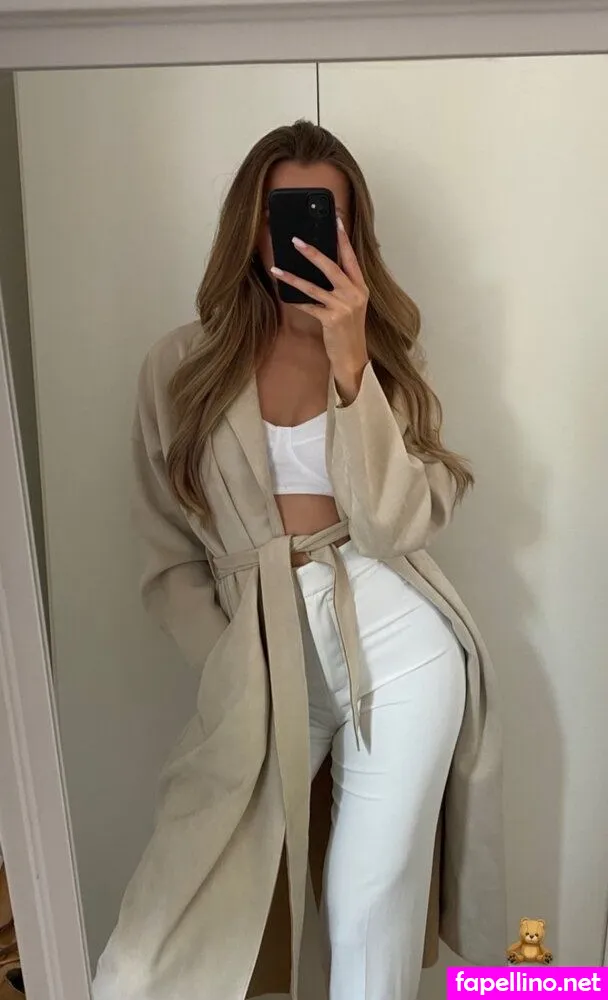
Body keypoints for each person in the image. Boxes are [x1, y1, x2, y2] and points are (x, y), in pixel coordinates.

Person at [93, 120, 506, 1000]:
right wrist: (231, 665)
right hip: (261, 655)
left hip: (396, 644)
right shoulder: (180, 365)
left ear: (354, 233)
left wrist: (352, 363)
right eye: (284, 215)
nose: (306, 237)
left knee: (365, 919)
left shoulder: (384, 358)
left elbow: (395, 525)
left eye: (329, 218)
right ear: (250, 225)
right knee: (150, 951)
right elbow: (166, 555)